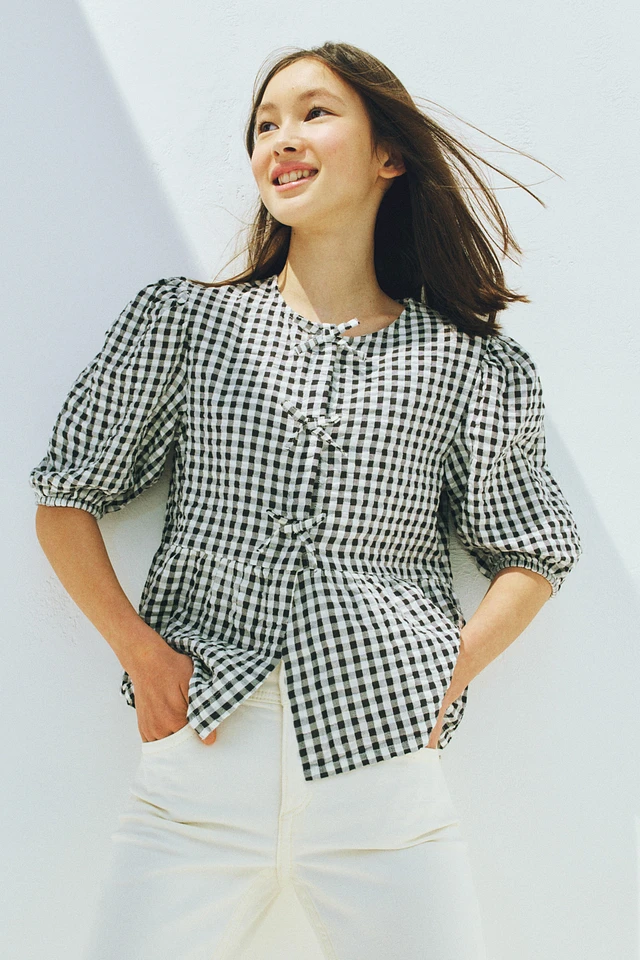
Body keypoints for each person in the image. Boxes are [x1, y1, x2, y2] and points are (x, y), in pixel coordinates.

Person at [30, 41, 582, 960]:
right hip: (200, 769)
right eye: (264, 125)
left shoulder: (468, 363)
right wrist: (142, 655)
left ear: (388, 154)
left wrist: (443, 675)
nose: (281, 138)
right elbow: (64, 498)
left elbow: (533, 549)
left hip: (384, 781)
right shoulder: (187, 324)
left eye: (314, 113)